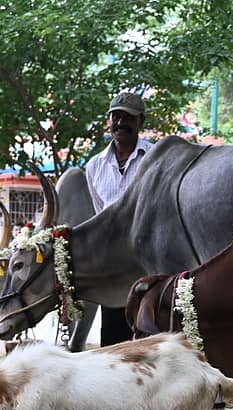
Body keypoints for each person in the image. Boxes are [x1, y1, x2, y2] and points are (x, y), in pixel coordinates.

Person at [85, 91, 154, 346]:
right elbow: (100, 215)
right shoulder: (94, 166)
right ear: (109, 120)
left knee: (150, 333)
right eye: (116, 117)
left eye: (128, 118)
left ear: (140, 121)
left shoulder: (155, 158)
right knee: (113, 339)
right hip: (113, 263)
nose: (121, 123)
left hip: (149, 259)